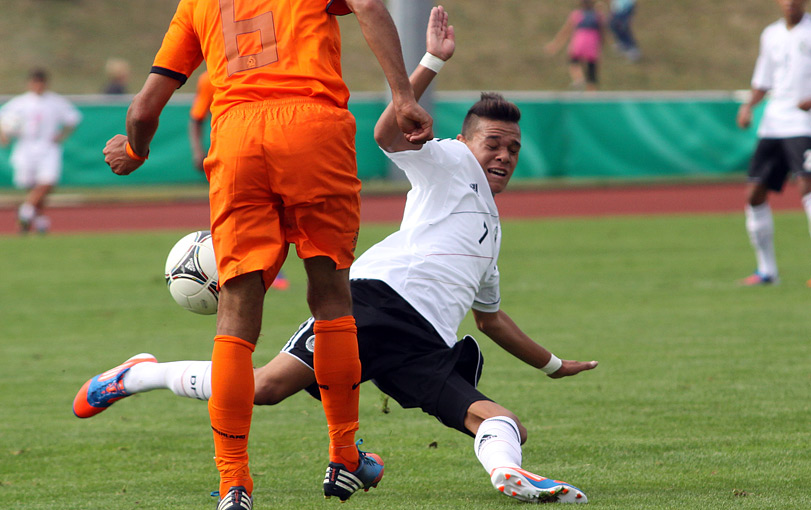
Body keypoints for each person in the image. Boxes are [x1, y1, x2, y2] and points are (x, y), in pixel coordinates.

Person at [81, 6, 596, 505]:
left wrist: (553, 366)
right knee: (265, 387)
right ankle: (140, 375)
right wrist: (429, 65)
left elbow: (491, 319)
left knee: (506, 424)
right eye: (494, 144)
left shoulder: (492, 236)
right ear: (464, 141)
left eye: (513, 149)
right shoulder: (451, 160)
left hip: (425, 343)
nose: (503, 155)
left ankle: (507, 470)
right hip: (378, 301)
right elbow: (389, 129)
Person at [98, 0, 433, 508]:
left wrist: (136, 151)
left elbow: (143, 108)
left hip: (237, 141)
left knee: (235, 316)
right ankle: (344, 453)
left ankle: (235, 482)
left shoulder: (197, 5)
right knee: (331, 301)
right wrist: (402, 94)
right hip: (314, 130)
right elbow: (366, 4)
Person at [188, 70, 289, 291]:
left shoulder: (264, 69)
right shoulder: (210, 78)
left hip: (269, 150)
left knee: (274, 212)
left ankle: (271, 269)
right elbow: (197, 118)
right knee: (233, 217)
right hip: (229, 155)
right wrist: (197, 151)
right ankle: (225, 270)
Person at [737, 0, 811, 286]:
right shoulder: (770, 34)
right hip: (773, 122)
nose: (790, 3)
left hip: (804, 123)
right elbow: (763, 80)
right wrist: (748, 106)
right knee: (754, 192)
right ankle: (767, 271)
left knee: (807, 186)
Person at [0, 68, 81, 234]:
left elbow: (73, 119)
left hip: (47, 147)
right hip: (26, 146)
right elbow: (4, 121)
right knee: (30, 185)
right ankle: (40, 220)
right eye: (35, 82)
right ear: (30, 83)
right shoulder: (20, 103)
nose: (38, 86)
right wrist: (4, 136)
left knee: (47, 182)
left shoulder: (55, 102)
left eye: (41, 82)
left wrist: (62, 135)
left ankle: (25, 211)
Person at [544, 0, 606, 91]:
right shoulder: (598, 15)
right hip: (593, 43)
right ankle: (592, 93)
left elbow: (565, 31)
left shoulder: (577, 14)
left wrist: (555, 44)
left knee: (573, 62)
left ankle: (579, 79)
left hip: (580, 41)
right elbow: (603, 31)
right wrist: (602, 44)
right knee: (591, 71)